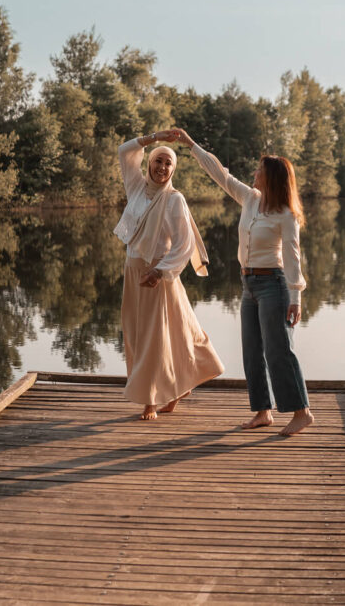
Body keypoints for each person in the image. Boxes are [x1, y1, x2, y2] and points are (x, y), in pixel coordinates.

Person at [172, 127, 314, 436]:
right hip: (248, 285)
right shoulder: (250, 198)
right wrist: (190, 144)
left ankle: (302, 412)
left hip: (274, 285)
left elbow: (292, 258)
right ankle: (263, 412)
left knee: (279, 351)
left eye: (259, 170)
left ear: (271, 177)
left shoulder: (286, 215)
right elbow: (220, 175)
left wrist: (296, 298)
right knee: (252, 351)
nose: (254, 173)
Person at [113, 131, 224, 420]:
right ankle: (177, 389)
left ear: (173, 169)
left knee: (155, 338)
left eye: (168, 163)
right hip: (133, 271)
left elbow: (184, 244)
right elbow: (124, 151)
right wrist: (156, 137)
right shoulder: (136, 188)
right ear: (149, 163)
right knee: (138, 335)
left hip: (157, 275)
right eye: (158, 161)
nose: (162, 167)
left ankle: (151, 399)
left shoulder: (174, 200)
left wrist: (160, 272)